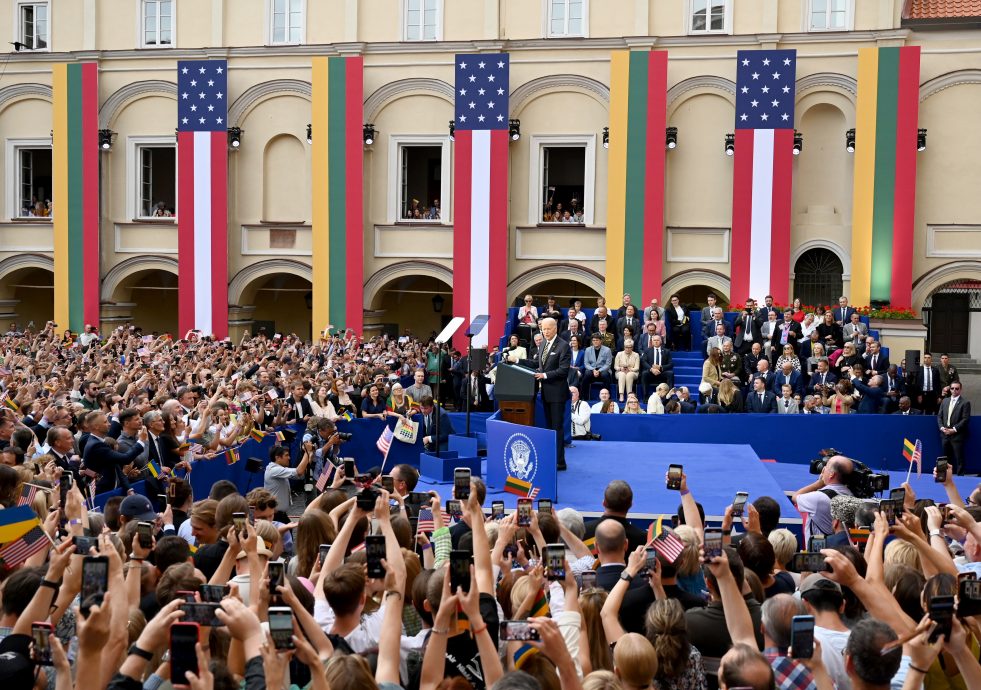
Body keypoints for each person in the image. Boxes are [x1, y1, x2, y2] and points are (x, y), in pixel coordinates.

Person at [525, 317, 571, 471]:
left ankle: (560, 462)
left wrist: (544, 376)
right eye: (543, 329)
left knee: (557, 428)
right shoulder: (543, 343)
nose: (545, 332)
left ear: (555, 328)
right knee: (550, 428)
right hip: (545, 393)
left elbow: (563, 371)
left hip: (557, 394)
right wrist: (517, 360)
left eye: (548, 329)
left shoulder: (564, 346)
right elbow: (537, 364)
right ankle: (552, 458)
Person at [791, 455, 854, 537]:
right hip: (844, 546)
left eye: (826, 466)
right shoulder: (852, 496)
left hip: (819, 549)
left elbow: (795, 497)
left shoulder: (819, 498)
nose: (823, 469)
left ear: (831, 474)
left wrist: (819, 483)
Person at [938, 382, 971, 474]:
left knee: (959, 458)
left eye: (957, 388)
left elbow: (965, 419)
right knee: (944, 457)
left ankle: (960, 478)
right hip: (944, 434)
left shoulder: (965, 403)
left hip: (957, 435)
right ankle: (943, 476)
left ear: (960, 390)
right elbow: (939, 416)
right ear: (950, 389)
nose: (954, 390)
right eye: (952, 388)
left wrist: (954, 430)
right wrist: (942, 428)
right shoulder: (945, 401)